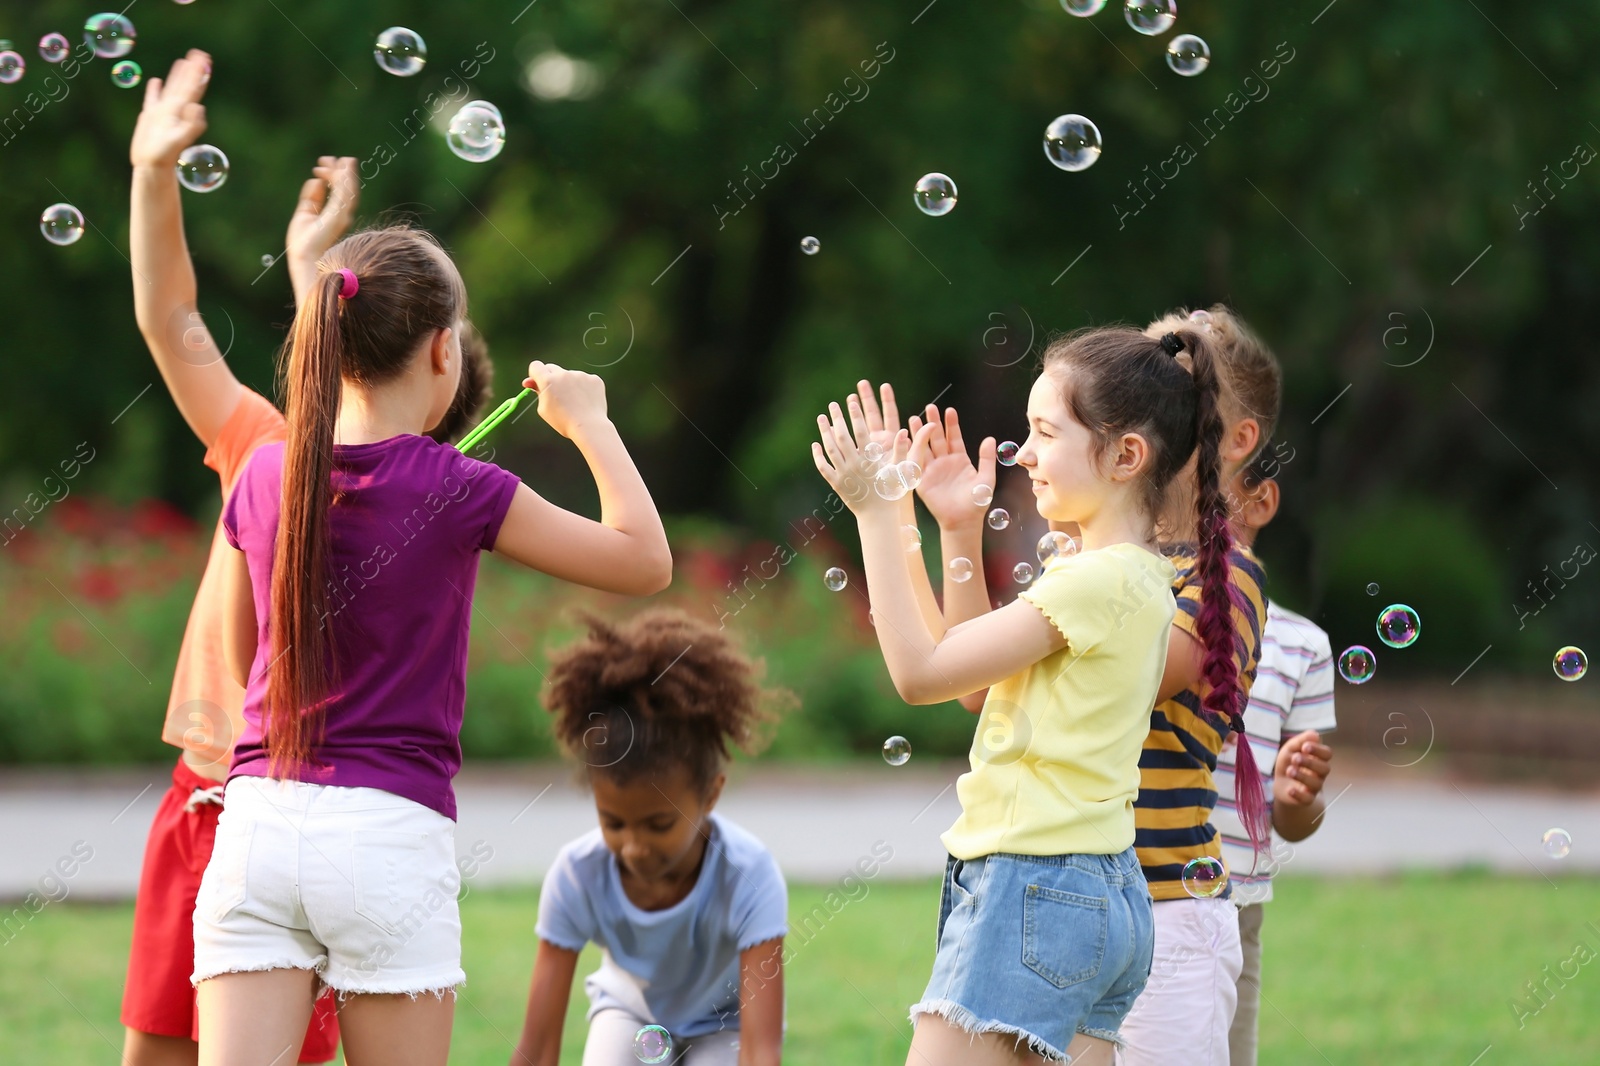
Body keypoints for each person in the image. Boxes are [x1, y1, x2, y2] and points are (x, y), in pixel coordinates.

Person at [121, 49, 479, 1066]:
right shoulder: (266, 449)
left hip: (301, 818)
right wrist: (155, 177)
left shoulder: (399, 496)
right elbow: (171, 319)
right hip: (213, 804)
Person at [812, 323, 1240, 1066]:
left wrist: (878, 513)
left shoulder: (1091, 580)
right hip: (1101, 892)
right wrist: (953, 528)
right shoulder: (1133, 576)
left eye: (1045, 432)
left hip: (1032, 885)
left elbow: (919, 675)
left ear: (1124, 455)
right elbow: (973, 684)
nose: (1025, 453)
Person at [1113, 305, 1283, 1066]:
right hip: (1083, 907)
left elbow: (1144, 673)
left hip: (1170, 915)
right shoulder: (1097, 565)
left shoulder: (1230, 581)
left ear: (1237, 439)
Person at [510, 610, 790, 1066]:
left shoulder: (749, 874)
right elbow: (537, 1048)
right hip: (628, 1012)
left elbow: (760, 1051)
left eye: (659, 824)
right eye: (613, 823)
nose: (635, 848)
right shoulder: (577, 875)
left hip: (724, 1025)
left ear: (711, 795)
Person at [1211, 450, 1336, 1066]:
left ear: (1260, 501)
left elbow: (1295, 823)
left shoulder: (1302, 646)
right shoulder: (1142, 617)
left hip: (1235, 901)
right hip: (1131, 886)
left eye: (1207, 485)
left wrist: (1297, 798)